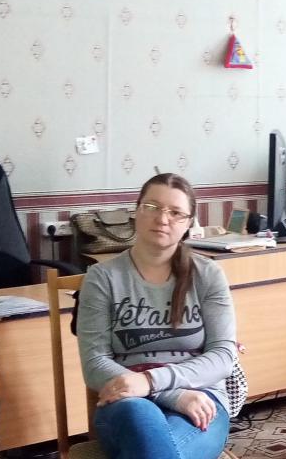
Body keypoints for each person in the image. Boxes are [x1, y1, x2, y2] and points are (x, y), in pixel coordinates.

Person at [77, 173, 237, 459]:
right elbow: (94, 363)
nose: (162, 219)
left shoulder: (208, 275)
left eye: (176, 212)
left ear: (188, 223)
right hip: (126, 403)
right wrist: (170, 394)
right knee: (139, 418)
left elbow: (224, 355)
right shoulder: (102, 277)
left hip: (201, 398)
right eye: (152, 207)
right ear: (136, 212)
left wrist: (151, 381)